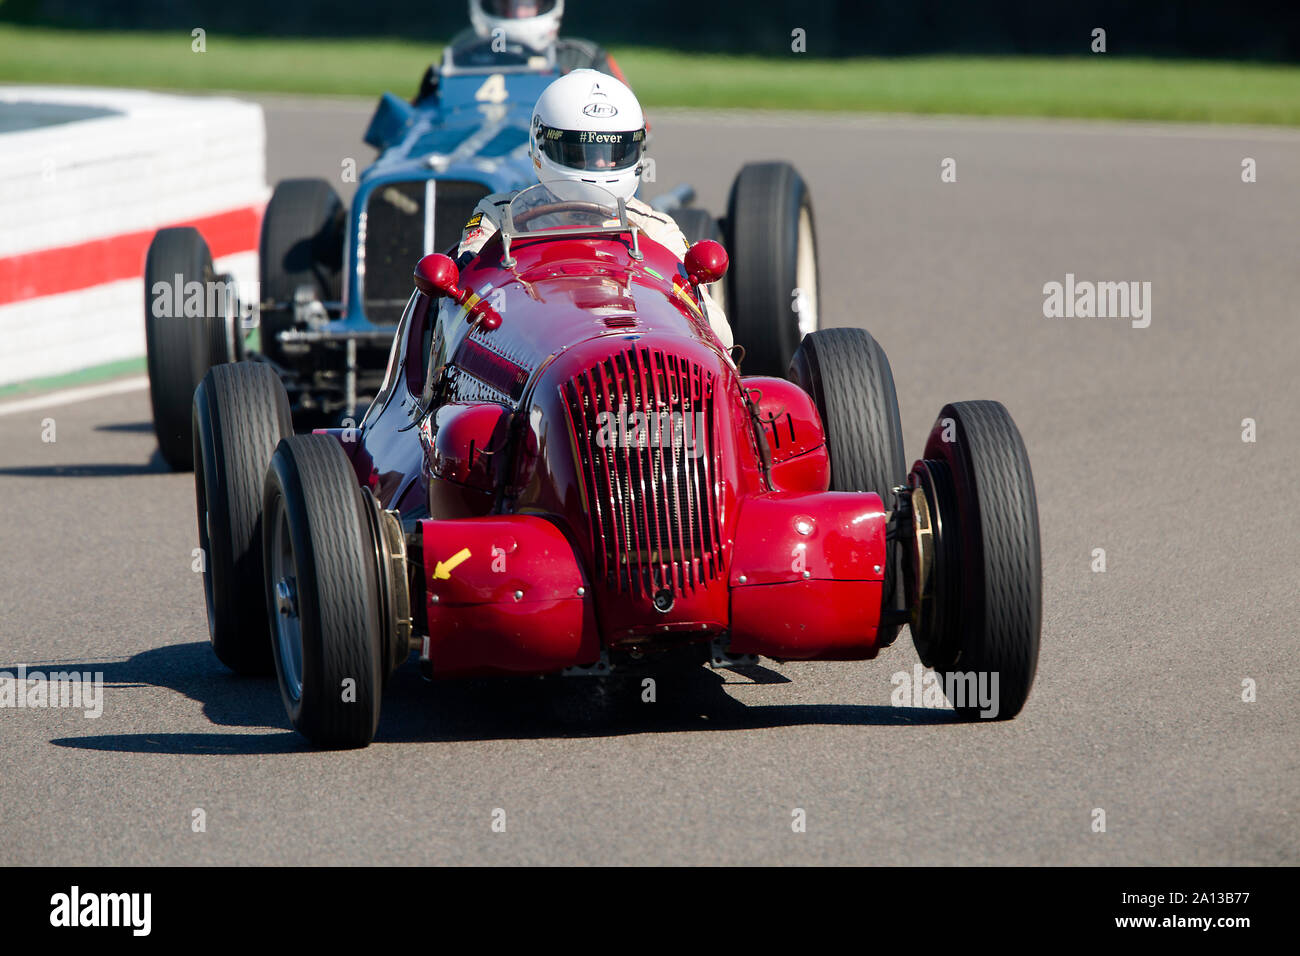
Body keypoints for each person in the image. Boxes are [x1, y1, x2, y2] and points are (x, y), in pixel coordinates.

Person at [456, 70, 733, 349]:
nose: (600, 164)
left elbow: (715, 333)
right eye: (581, 151)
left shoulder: (655, 227)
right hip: (527, 350)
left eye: (614, 153)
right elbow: (465, 301)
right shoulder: (499, 216)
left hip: (629, 354)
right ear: (541, 143)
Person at [414, 1, 626, 105]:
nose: (518, 14)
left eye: (526, 4)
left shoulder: (583, 57)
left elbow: (634, 124)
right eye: (508, 4)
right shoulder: (464, 54)